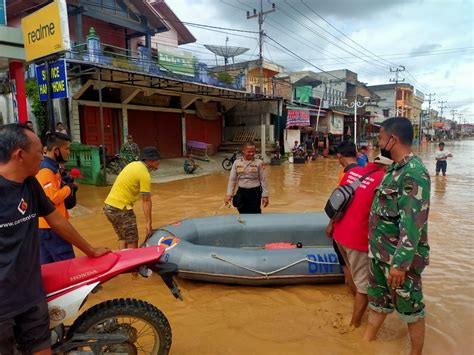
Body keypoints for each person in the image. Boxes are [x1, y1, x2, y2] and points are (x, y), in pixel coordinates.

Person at [0, 123, 109, 355]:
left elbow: (56, 219)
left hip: (31, 293)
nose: (43, 156)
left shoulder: (30, 183)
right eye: (39, 151)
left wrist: (90, 250)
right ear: (19, 154)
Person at [363, 117, 430, 355]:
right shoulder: (393, 169)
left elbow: (412, 224)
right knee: (378, 303)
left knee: (411, 311)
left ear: (393, 139)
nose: (378, 142)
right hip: (380, 254)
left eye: (381, 138)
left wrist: (400, 265)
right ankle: (364, 345)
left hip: (397, 261)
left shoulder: (413, 173)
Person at [326, 141, 384, 327]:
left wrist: (331, 225)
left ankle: (355, 306)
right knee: (364, 287)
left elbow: (338, 203)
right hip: (358, 240)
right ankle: (355, 325)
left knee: (350, 271)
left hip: (339, 234)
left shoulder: (351, 173)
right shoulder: (385, 179)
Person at [104, 146, 160, 249]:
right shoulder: (144, 173)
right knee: (132, 239)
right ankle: (133, 264)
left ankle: (123, 261)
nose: (159, 163)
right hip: (122, 208)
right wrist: (148, 223)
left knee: (123, 237)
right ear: (151, 161)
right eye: (157, 160)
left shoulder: (133, 165)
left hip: (109, 207)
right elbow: (146, 200)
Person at [36, 133, 76, 264]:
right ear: (56, 150)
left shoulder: (53, 166)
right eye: (67, 149)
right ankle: (77, 284)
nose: (68, 152)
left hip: (46, 224)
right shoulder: (46, 170)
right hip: (52, 225)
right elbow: (52, 198)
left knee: (48, 263)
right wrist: (69, 188)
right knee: (66, 260)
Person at [329, 141, 362, 295]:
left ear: (339, 156)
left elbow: (339, 203)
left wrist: (331, 224)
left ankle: (355, 300)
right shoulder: (364, 171)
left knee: (347, 268)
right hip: (359, 229)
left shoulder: (345, 174)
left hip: (344, 229)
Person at [225, 141, 269, 214]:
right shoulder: (236, 163)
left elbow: (263, 180)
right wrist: (229, 195)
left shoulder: (259, 163)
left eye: (253, 151)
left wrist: (265, 196)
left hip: (255, 192)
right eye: (249, 151)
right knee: (242, 212)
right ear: (243, 151)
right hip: (241, 192)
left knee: (255, 212)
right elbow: (232, 180)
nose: (251, 153)